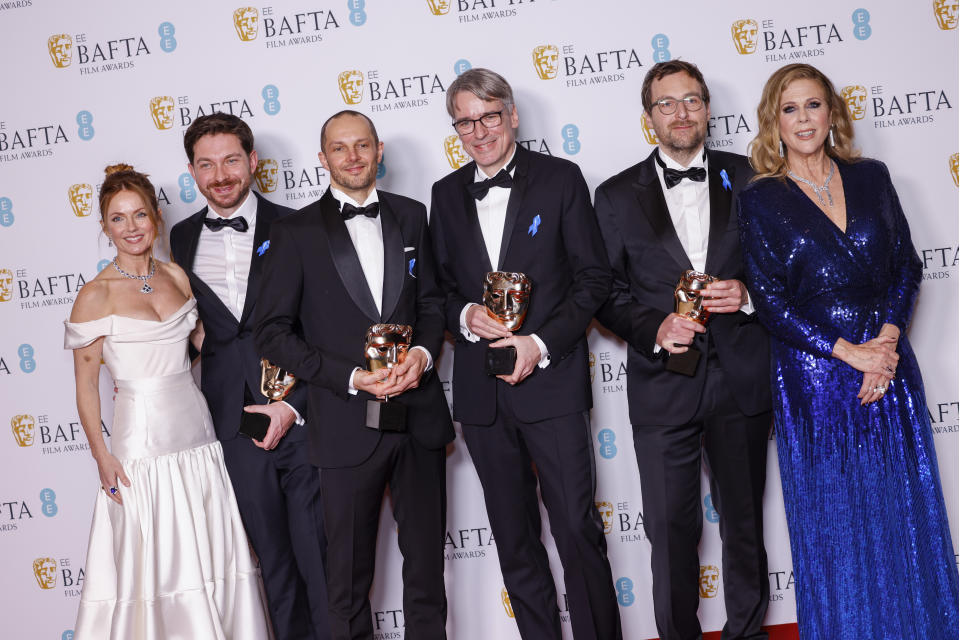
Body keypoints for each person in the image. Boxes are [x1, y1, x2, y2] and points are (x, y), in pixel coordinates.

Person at [738, 62, 959, 639]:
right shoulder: (761, 199)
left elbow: (907, 265)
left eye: (813, 105)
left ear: (832, 112)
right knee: (837, 522)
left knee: (899, 509)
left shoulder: (872, 177)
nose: (804, 119)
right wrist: (850, 353)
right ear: (774, 122)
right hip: (816, 379)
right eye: (790, 109)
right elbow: (769, 301)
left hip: (889, 368)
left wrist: (886, 341)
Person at [429, 68, 622, 640]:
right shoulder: (443, 194)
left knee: (576, 530)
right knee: (513, 538)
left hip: (552, 384)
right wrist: (465, 316)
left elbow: (593, 280)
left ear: (512, 115)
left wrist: (537, 344)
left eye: (490, 116)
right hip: (482, 397)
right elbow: (434, 293)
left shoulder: (561, 179)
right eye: (466, 120)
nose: (479, 130)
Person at [254, 111, 454, 640]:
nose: (353, 157)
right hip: (344, 424)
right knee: (344, 581)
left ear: (379, 150)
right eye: (339, 149)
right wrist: (349, 377)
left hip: (418, 417)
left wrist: (425, 357)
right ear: (322, 159)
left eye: (362, 146)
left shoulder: (412, 215)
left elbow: (432, 303)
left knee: (427, 573)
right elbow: (272, 332)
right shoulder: (293, 232)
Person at [593, 60, 772, 640]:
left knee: (744, 525)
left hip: (741, 378)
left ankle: (747, 631)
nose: (681, 112)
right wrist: (655, 327)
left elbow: (783, 272)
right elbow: (605, 293)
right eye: (666, 104)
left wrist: (747, 294)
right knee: (669, 530)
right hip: (662, 382)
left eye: (691, 100)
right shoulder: (616, 195)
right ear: (649, 118)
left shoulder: (752, 178)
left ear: (709, 108)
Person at [65, 164, 271, 639]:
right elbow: (84, 387)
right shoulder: (93, 296)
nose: (131, 227)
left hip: (196, 432)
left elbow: (195, 344)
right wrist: (102, 455)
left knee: (210, 552)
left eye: (139, 215)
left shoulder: (176, 274)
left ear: (155, 217)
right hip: (142, 441)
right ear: (104, 226)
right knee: (156, 562)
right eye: (118, 219)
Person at [170, 114, 331, 640]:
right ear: (192, 170)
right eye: (206, 163)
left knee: (323, 561)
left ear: (254, 162)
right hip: (231, 423)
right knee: (273, 565)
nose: (220, 174)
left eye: (232, 159)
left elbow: (322, 327)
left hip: (304, 414)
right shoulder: (180, 236)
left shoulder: (300, 227)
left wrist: (292, 404)